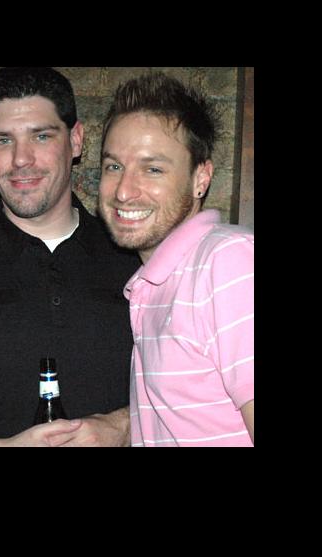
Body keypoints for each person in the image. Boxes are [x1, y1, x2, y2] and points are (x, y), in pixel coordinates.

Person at [0, 67, 141, 446]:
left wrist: (124, 427)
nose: (21, 159)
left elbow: (185, 386)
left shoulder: (134, 258)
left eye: (41, 136)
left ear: (76, 140)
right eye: (3, 140)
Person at [97, 72, 254, 446]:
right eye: (114, 166)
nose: (124, 191)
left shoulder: (228, 262)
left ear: (201, 178)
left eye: (153, 169)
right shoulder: (154, 283)